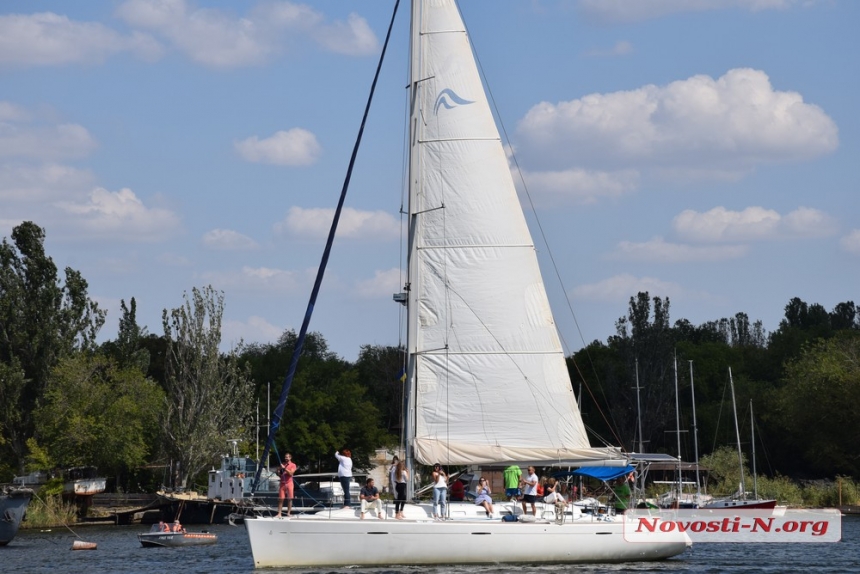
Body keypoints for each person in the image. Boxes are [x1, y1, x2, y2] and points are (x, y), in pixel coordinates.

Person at [276, 452, 297, 517]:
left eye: (287, 457)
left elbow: (291, 473)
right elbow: (279, 474)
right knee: (281, 499)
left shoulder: (293, 465)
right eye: (285, 457)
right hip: (282, 483)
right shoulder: (282, 464)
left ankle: (288, 513)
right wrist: (278, 471)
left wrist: (285, 468)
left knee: (290, 498)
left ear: (290, 458)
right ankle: (279, 513)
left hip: (289, 483)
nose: (286, 458)